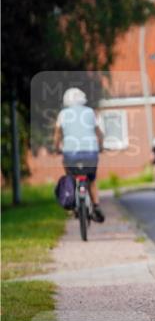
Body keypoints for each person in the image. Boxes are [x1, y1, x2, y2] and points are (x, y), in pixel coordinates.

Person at [53, 87, 105, 222]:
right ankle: (96, 205)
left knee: (69, 172)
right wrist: (101, 146)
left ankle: (72, 191)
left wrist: (56, 148)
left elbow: (57, 134)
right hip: (91, 152)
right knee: (92, 179)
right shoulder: (90, 112)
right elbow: (99, 132)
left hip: (70, 153)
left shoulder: (63, 114)